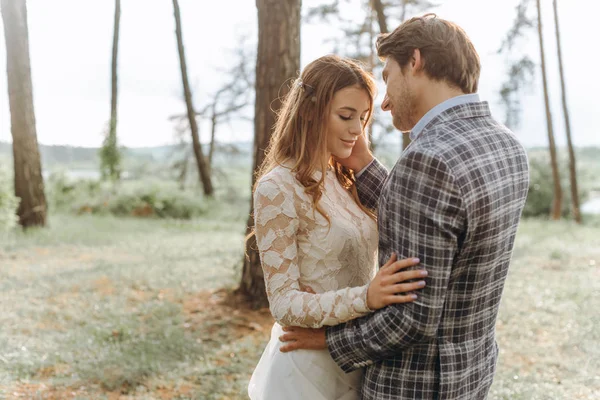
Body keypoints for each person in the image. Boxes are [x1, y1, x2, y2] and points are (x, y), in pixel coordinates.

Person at [278, 14, 530, 400]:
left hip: (416, 385)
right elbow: (435, 225)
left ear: (415, 61)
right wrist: (364, 167)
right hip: (471, 372)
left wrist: (328, 339)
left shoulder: (428, 159)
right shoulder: (506, 145)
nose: (384, 101)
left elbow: (412, 318)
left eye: (388, 74)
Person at [247, 54, 428, 400]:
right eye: (346, 116)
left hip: (356, 358)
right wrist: (367, 297)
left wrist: (362, 161)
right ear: (310, 112)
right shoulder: (277, 188)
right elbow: (283, 304)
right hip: (306, 367)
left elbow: (404, 211)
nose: (357, 129)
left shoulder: (345, 179)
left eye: (363, 118)